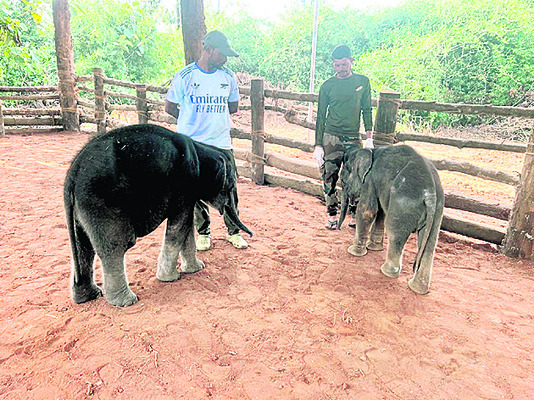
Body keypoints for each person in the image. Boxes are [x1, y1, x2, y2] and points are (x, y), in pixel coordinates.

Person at [165, 30, 248, 251]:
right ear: (208, 49)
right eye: (223, 53)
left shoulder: (228, 77)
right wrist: (189, 121)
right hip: (193, 144)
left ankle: (234, 231)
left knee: (229, 187)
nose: (225, 59)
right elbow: (170, 106)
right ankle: (204, 232)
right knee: (195, 190)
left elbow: (233, 106)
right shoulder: (185, 76)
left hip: (221, 143)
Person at [313, 44, 374, 230]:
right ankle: (331, 215)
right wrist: (318, 145)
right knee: (329, 176)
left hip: (353, 138)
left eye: (344, 64)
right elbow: (321, 115)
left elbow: (366, 110)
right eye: (337, 65)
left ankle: (354, 215)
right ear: (333, 65)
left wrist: (369, 137)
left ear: (351, 61)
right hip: (331, 137)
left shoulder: (362, 82)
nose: (340, 69)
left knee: (355, 177)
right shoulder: (327, 86)